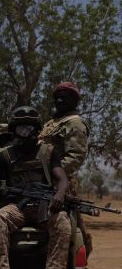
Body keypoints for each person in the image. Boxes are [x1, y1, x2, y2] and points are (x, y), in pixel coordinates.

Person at [0, 106, 71, 269]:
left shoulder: (49, 152)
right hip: (18, 209)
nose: (25, 133)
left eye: (29, 128)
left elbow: (62, 179)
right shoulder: (3, 156)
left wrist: (60, 194)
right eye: (20, 129)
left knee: (62, 221)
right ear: (13, 130)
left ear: (36, 130)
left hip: (44, 207)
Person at [38, 82, 92, 255]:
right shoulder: (51, 123)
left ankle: (78, 262)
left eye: (65, 97)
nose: (59, 100)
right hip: (39, 181)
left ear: (75, 101)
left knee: (70, 228)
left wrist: (51, 174)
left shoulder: (75, 123)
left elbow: (75, 156)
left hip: (59, 183)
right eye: (57, 97)